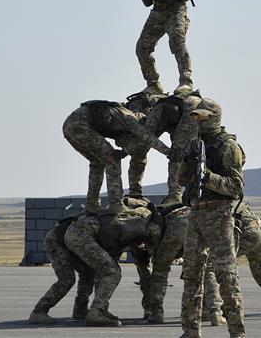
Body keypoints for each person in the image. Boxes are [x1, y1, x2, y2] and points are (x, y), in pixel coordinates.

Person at [30, 202, 162, 327]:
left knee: (90, 272)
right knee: (105, 274)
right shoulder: (137, 226)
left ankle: (82, 309)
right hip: (59, 240)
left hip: (73, 236)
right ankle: (39, 311)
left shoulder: (130, 220)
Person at [178, 103, 245, 338]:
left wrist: (207, 176)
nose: (199, 121)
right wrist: (188, 164)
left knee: (226, 275)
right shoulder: (195, 144)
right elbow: (182, 179)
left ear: (214, 118)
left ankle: (237, 332)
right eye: (196, 117)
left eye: (204, 117)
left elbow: (235, 186)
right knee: (191, 274)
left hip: (218, 213)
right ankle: (190, 331)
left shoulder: (228, 146)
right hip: (196, 212)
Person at [63, 97, 167, 210]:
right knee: (112, 159)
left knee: (97, 162)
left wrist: (124, 152)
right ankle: (116, 204)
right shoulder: (131, 120)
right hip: (81, 125)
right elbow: (147, 138)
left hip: (68, 126)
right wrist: (168, 152)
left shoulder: (119, 115)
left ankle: (92, 204)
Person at [144, 86, 207, 204]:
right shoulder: (175, 100)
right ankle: (198, 193)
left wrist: (167, 151)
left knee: (176, 158)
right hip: (204, 110)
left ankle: (175, 196)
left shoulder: (158, 109)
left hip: (190, 115)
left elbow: (146, 136)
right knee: (198, 153)